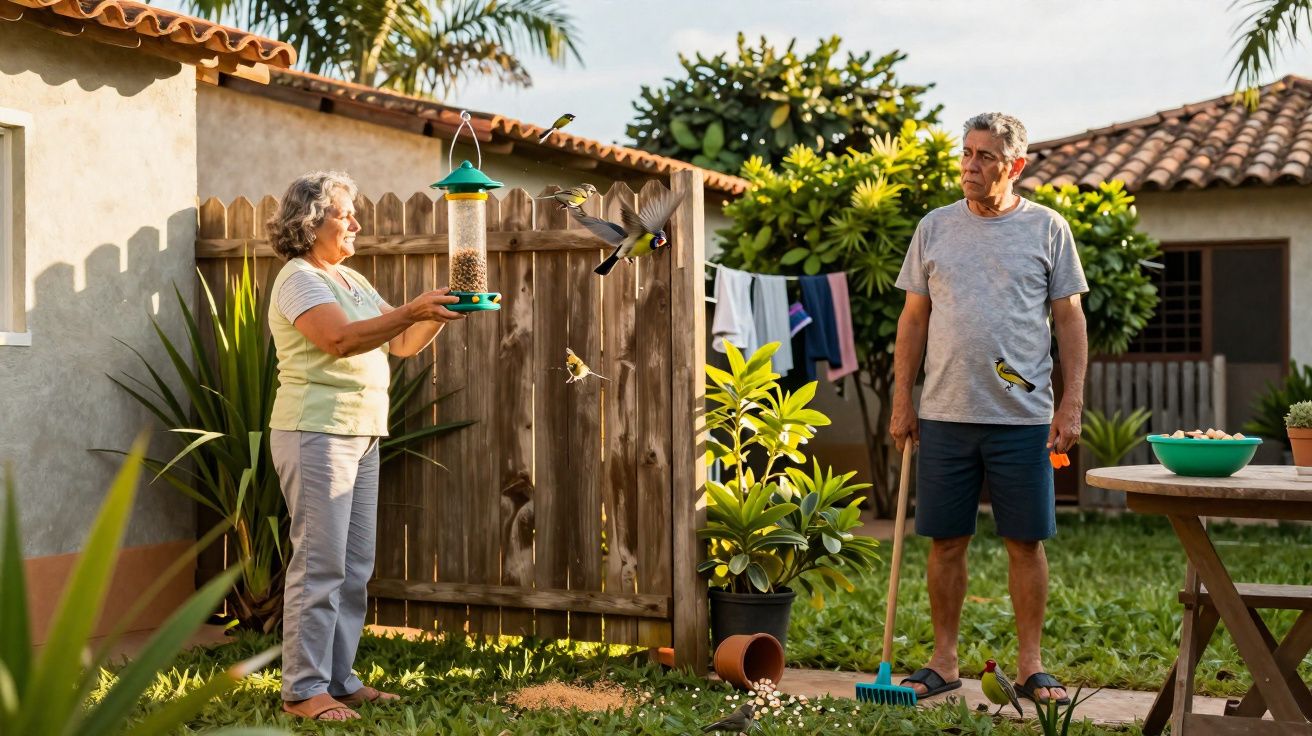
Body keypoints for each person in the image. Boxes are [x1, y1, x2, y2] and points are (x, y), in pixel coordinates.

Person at [890, 113, 1088, 707]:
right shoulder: (934, 227)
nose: (970, 167)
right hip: (947, 411)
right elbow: (914, 319)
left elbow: (1070, 320)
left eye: (985, 157)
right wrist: (904, 399)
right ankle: (943, 661)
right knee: (945, 540)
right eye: (966, 154)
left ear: (1015, 166)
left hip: (1023, 419)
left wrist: (1071, 404)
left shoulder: (1048, 229)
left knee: (1025, 542)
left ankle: (1031, 666)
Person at [266, 171, 464, 721]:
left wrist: (440, 314)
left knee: (354, 566)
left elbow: (400, 342)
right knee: (320, 564)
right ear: (311, 221)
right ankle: (303, 692)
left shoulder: (349, 280)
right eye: (344, 213)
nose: (355, 223)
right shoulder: (299, 278)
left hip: (361, 432)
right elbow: (339, 340)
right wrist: (413, 308)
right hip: (316, 432)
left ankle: (338, 678)